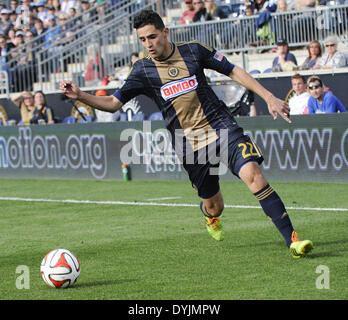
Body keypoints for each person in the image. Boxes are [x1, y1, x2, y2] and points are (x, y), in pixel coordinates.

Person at [60, 9, 313, 258]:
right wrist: (81, 95)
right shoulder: (142, 70)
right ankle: (210, 216)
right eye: (142, 39)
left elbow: (233, 70)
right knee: (216, 206)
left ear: (165, 32)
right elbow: (114, 103)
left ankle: (293, 240)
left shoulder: (193, 50)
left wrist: (268, 96)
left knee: (254, 175)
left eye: (152, 37)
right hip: (189, 144)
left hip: (221, 127)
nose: (148, 44)